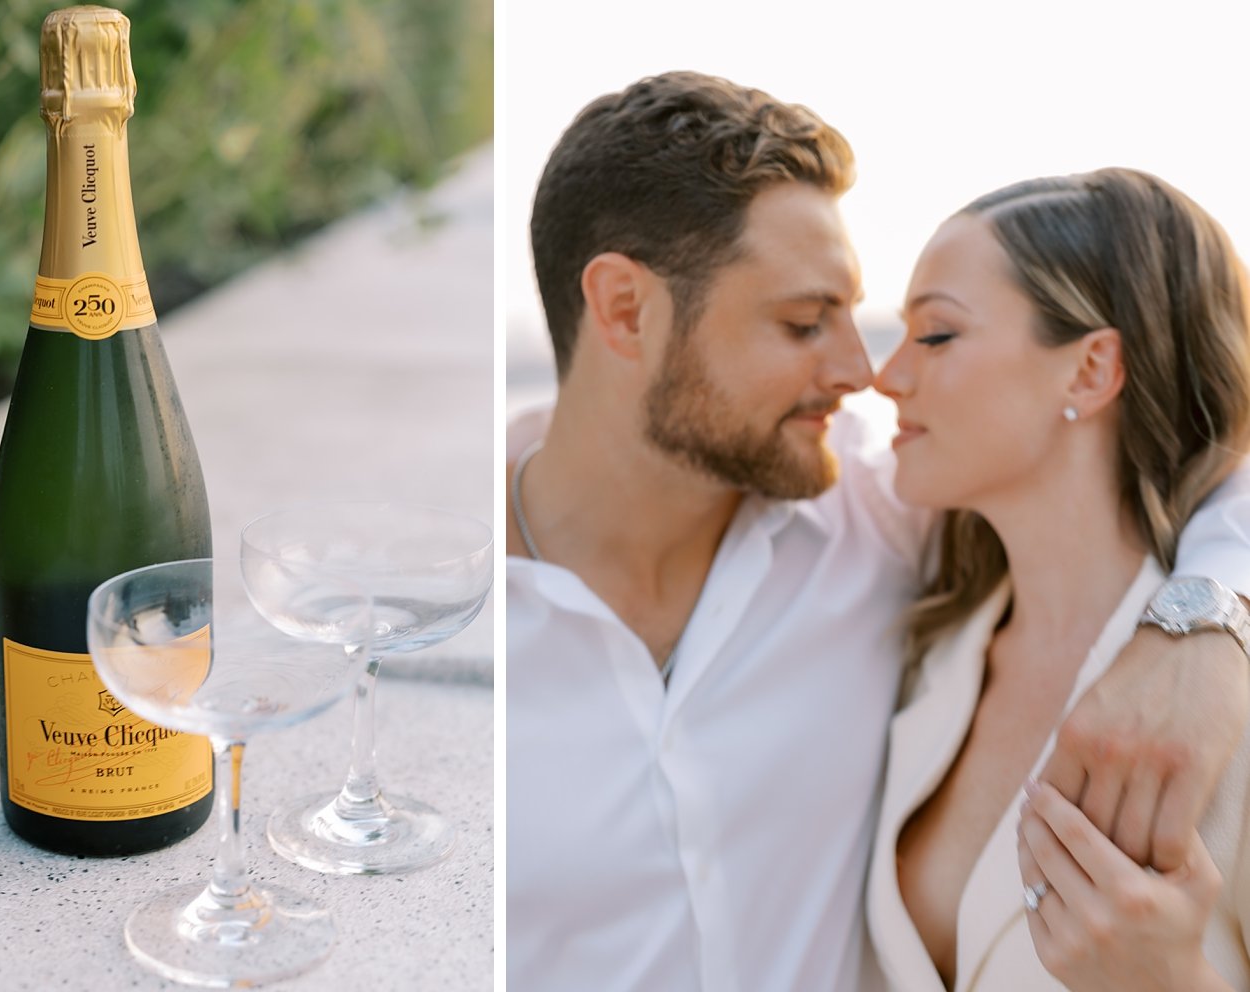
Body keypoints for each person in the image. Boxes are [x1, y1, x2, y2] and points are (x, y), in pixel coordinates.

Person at [507, 72, 1250, 991]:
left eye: (919, 333)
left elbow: (1196, 457)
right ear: (625, 310)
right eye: (801, 323)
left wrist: (1207, 618)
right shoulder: (441, 604)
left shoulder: (870, 513)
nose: (866, 372)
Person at [866, 169, 1250, 991]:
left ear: (1088, 371)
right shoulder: (924, 647)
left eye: (935, 336)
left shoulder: (1228, 704)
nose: (886, 375)